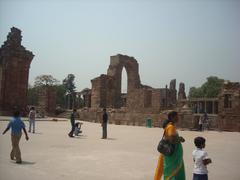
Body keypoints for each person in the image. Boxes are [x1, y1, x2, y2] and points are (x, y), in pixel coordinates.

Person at [154, 111, 186, 180]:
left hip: (174, 156)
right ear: (172, 117)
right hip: (172, 156)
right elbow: (172, 140)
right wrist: (180, 139)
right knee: (172, 174)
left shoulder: (170, 126)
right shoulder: (171, 127)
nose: (178, 118)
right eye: (177, 116)